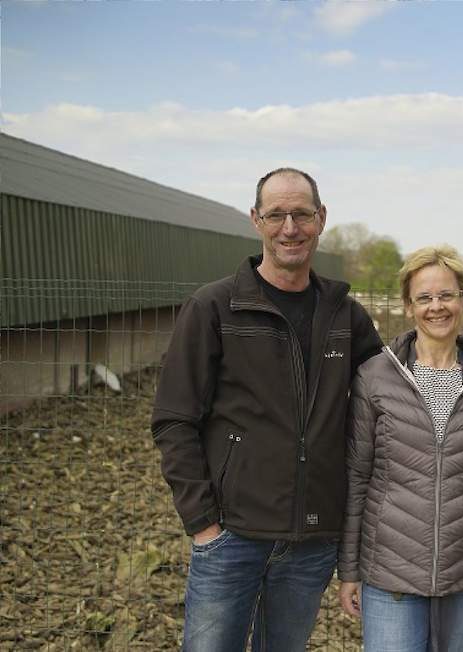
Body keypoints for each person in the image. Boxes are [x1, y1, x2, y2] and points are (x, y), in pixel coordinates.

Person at [150, 167, 385, 651]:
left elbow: (392, 402)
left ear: (321, 219)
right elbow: (174, 419)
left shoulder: (345, 316)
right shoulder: (214, 308)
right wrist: (204, 525)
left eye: (301, 214)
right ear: (256, 220)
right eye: (276, 214)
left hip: (313, 540)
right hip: (231, 536)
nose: (290, 228)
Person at [338, 245, 463, 652]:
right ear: (408, 306)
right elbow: (358, 475)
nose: (436, 307)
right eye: (424, 298)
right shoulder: (374, 378)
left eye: (446, 295)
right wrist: (349, 567)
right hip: (391, 569)